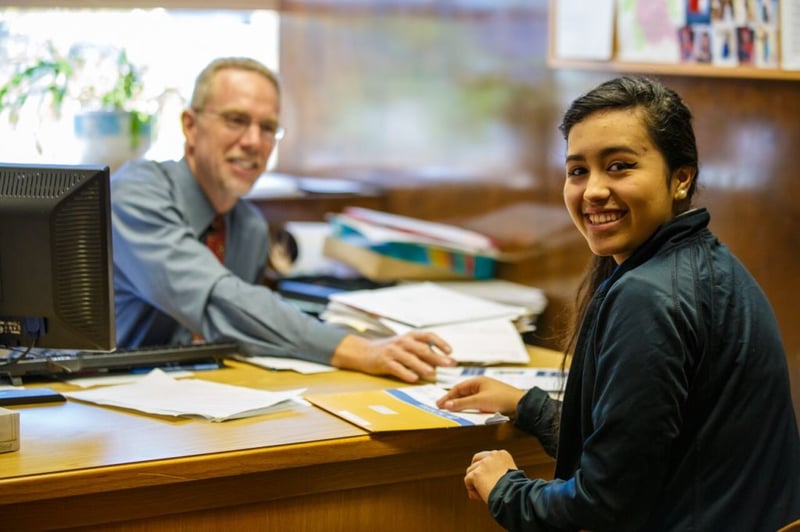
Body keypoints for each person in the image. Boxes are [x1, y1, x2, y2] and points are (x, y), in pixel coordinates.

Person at [436, 76, 800, 530]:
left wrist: (505, 487)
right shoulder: (707, 261)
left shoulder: (648, 295)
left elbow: (605, 501)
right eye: (578, 170)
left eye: (620, 166)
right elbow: (643, 442)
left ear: (681, 178)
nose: (592, 191)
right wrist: (528, 406)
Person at [110, 57, 455, 383]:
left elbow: (240, 336)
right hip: (107, 403)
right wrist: (356, 349)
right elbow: (219, 300)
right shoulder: (136, 193)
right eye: (236, 120)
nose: (253, 142)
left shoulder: (249, 228)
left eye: (268, 128)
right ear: (190, 125)